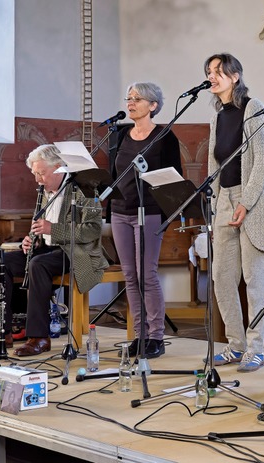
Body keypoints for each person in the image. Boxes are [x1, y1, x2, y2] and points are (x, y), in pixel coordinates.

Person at [0, 144, 108, 356]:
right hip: (47, 250)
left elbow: (93, 231)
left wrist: (53, 229)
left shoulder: (84, 189)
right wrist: (31, 240)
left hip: (76, 252)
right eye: (35, 174)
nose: (37, 179)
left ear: (59, 167)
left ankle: (39, 337)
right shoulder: (43, 191)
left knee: (37, 264)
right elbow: (39, 227)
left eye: (41, 173)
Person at [205, 53, 264, 372]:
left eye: (218, 71)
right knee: (222, 276)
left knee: (254, 279)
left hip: (255, 202)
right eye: (208, 72)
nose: (212, 76)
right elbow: (214, 162)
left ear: (235, 75)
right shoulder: (218, 116)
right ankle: (235, 344)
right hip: (224, 198)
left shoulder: (254, 108)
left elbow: (263, 161)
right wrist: (214, 204)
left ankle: (255, 348)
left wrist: (245, 202)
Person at [108, 82, 182, 359]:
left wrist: (165, 214)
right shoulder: (119, 135)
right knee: (129, 275)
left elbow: (174, 179)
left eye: (137, 99)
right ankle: (138, 335)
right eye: (128, 98)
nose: (131, 103)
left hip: (149, 211)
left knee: (146, 274)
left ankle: (156, 337)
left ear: (153, 105)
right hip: (119, 210)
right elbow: (112, 173)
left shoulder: (164, 137)